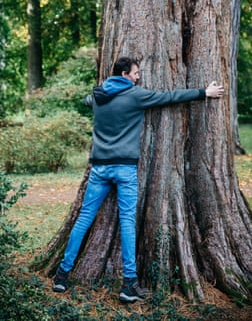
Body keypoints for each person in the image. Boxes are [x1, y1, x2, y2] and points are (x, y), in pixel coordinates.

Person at [52, 56, 224, 302]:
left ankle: (61, 276)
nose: (138, 76)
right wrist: (203, 92)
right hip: (124, 169)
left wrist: (93, 101)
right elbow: (169, 97)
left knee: (83, 220)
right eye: (135, 73)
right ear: (124, 75)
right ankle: (129, 284)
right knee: (127, 222)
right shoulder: (135, 95)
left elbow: (86, 100)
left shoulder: (99, 95)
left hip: (99, 169)